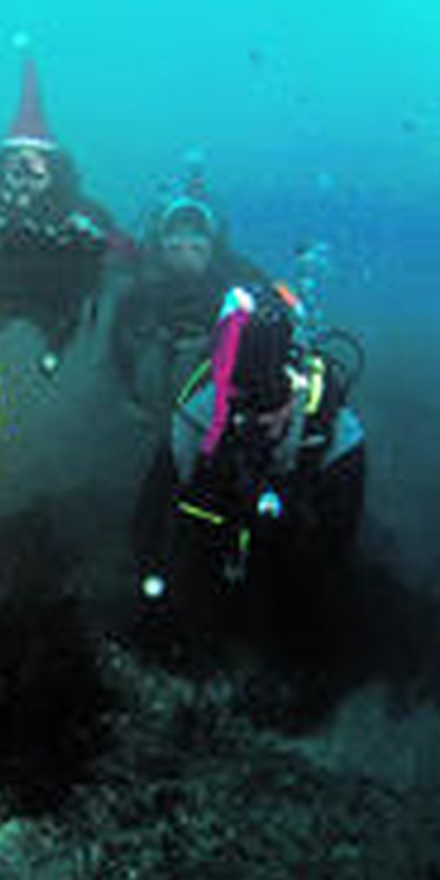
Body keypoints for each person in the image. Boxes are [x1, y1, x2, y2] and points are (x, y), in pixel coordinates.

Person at [133, 281, 365, 680]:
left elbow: (339, 544)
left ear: (297, 384)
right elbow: (148, 517)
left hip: (291, 551)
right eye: (240, 402)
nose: (256, 420)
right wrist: (153, 585)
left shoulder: (335, 436)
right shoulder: (195, 421)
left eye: (270, 403)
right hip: (211, 538)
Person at [0, 44, 118, 375]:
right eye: (15, 167)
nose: (24, 179)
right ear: (1, 167)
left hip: (56, 323)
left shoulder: (81, 215)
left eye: (35, 169)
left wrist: (92, 242)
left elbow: (119, 248)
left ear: (54, 172)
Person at [109, 171, 263, 416]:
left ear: (212, 246)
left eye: (196, 247)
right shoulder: (147, 281)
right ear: (161, 247)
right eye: (176, 247)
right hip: (166, 346)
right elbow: (121, 341)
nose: (186, 257)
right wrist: (130, 394)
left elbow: (267, 309)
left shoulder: (233, 272)